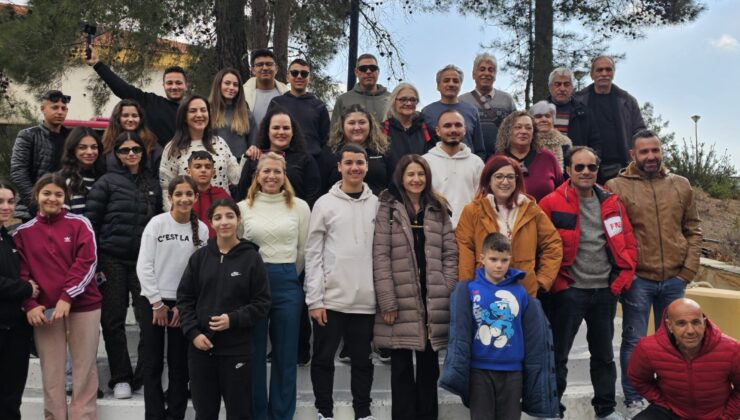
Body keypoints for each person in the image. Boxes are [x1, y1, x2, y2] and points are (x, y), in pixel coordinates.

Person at [605, 130, 702, 416]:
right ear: (632, 155)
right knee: (635, 340)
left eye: (655, 150)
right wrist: (626, 272)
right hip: (638, 279)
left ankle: (668, 396)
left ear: (661, 151)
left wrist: (688, 270)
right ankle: (634, 398)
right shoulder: (616, 186)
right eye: (644, 152)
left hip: (675, 278)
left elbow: (693, 229)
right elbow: (613, 235)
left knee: (674, 340)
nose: (651, 156)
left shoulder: (681, 185)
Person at [539, 146, 637, 420]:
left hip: (605, 291)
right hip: (569, 292)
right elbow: (541, 249)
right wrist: (558, 284)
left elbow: (627, 241)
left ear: (597, 170)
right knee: (557, 356)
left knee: (604, 356)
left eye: (591, 167)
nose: (585, 172)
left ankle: (605, 410)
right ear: (568, 170)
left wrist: (621, 278)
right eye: (579, 167)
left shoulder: (612, 202)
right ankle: (551, 410)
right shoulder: (550, 203)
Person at [372, 154, 458, 420]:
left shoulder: (438, 208)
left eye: (420, 175)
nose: (416, 179)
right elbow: (381, 256)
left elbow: (450, 253)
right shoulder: (388, 209)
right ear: (401, 177)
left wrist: (447, 285)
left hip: (432, 295)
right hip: (400, 297)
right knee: (400, 369)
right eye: (411, 174)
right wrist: (387, 300)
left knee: (429, 367)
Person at [440, 232, 559, 420]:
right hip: (479, 370)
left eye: (504, 260)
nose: (498, 265)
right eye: (493, 259)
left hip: (513, 372)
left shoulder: (520, 292)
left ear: (510, 259)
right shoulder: (470, 291)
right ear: (482, 258)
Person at [14, 173, 101, 420]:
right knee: (51, 371)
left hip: (84, 306)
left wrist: (67, 297)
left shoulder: (80, 224)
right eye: (47, 193)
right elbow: (21, 273)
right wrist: (30, 304)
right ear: (37, 195)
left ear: (66, 197)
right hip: (45, 312)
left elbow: (86, 262)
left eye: (58, 194)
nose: (52, 198)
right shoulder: (23, 233)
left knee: (84, 370)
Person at [177, 198, 271, 420]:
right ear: (211, 222)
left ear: (238, 219)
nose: (224, 222)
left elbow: (262, 303)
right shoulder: (199, 258)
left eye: (230, 216)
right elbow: (185, 299)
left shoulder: (252, 258)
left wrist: (233, 319)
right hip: (201, 350)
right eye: (218, 217)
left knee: (239, 413)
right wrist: (193, 333)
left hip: (237, 349)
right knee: (205, 412)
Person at [84, 132, 162, 399]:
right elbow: (91, 225)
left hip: (143, 261)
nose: (131, 154)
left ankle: (143, 375)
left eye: (136, 149)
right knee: (113, 319)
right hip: (112, 259)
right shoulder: (106, 182)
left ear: (143, 151)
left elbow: (160, 222)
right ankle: (120, 377)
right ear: (116, 154)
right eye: (125, 150)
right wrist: (95, 264)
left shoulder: (153, 182)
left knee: (148, 319)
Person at [305, 143, 379, 420]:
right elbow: (312, 254)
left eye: (359, 162)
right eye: (348, 163)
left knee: (362, 361)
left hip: (365, 301)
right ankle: (324, 411)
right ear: (339, 167)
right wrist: (315, 299)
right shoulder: (324, 204)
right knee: (323, 360)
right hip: (330, 300)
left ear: (367, 166)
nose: (354, 168)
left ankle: (364, 412)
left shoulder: (378, 204)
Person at [238, 153, 310, 420]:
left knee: (285, 353)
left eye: (277, 172)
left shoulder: (300, 207)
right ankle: (258, 414)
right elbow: (239, 248)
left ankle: (281, 414)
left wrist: (288, 273)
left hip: (287, 281)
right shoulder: (243, 207)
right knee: (254, 353)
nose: (271, 176)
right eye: (266, 171)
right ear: (257, 175)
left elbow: (303, 249)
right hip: (252, 286)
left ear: (284, 175)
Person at [136, 175, 208, 420]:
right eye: (179, 194)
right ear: (170, 197)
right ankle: (154, 415)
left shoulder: (203, 230)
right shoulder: (157, 224)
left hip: (183, 305)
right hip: (153, 302)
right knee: (153, 363)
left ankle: (175, 414)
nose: (184, 199)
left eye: (189, 194)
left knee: (179, 365)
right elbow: (144, 265)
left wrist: (183, 306)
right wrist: (157, 303)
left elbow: (199, 274)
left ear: (196, 198)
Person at [456, 155, 562, 296]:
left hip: (523, 291)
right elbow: (465, 251)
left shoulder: (531, 209)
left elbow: (553, 244)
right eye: (499, 176)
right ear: (489, 179)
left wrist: (542, 280)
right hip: (484, 290)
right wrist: (468, 287)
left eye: (510, 177)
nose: (505, 182)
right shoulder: (472, 211)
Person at [627, 298, 740, 420]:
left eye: (696, 322)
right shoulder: (648, 348)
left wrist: (727, 416)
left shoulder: (732, 349)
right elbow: (637, 378)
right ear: (669, 325)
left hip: (716, 414)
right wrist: (660, 401)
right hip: (671, 411)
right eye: (681, 323)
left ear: (704, 322)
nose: (690, 331)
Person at [87, 44, 187, 146]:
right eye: (169, 83)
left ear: (186, 85)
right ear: (163, 85)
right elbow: (123, 89)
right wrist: (97, 64)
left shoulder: (195, 111)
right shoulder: (151, 102)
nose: (174, 87)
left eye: (178, 83)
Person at [0, 180, 39, 420]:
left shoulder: (9, 237)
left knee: (11, 397)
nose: (6, 206)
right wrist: (25, 288)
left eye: (10, 201)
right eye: (0, 201)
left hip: (16, 331)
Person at [159, 94, 240, 208]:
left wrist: (248, 157)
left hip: (220, 215)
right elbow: (166, 188)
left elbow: (236, 178)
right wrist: (176, 219)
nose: (199, 115)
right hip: (188, 216)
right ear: (184, 117)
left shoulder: (219, 143)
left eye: (203, 110)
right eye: (193, 111)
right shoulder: (173, 148)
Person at [575, 55, 646, 184]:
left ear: (613, 73)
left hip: (621, 168)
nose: (604, 74)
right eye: (599, 70)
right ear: (592, 75)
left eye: (608, 70)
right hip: (586, 169)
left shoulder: (628, 101)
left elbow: (640, 132)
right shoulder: (578, 101)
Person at [237, 107, 321, 207]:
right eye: (276, 128)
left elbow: (313, 196)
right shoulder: (255, 158)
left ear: (292, 132)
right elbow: (241, 195)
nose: (281, 132)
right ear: (267, 131)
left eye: (286, 128)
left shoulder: (306, 159)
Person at [10, 90, 71, 220]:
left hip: (65, 206)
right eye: (54, 107)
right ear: (43, 109)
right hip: (33, 210)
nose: (60, 112)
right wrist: (36, 205)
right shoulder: (28, 135)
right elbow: (18, 171)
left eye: (63, 108)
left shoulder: (71, 138)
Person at [422, 109, 484, 227]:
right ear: (438, 131)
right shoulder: (425, 162)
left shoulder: (477, 163)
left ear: (465, 130)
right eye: (447, 126)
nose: (453, 130)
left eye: (458, 125)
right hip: (435, 230)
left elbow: (481, 200)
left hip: (469, 230)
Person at [319, 104, 391, 195]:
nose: (357, 127)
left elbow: (392, 184)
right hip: (338, 207)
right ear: (342, 126)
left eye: (362, 122)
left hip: (377, 207)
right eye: (351, 123)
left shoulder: (383, 150)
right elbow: (320, 186)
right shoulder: (330, 151)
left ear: (370, 125)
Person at [495, 110, 564, 202]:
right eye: (518, 127)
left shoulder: (548, 158)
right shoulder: (497, 161)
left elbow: (561, 192)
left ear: (534, 132)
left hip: (544, 215)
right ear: (508, 131)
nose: (523, 131)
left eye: (528, 128)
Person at [270, 58, 331, 161]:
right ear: (288, 77)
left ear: (309, 79)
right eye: (294, 73)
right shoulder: (277, 103)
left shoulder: (319, 106)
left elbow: (326, 139)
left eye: (304, 73)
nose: (299, 76)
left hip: (313, 161)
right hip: (282, 161)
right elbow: (268, 133)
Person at [421, 65, 486, 159]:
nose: (451, 84)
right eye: (446, 80)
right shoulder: (427, 112)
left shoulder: (472, 111)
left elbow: (479, 148)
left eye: (455, 81)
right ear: (438, 86)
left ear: (460, 85)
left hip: (468, 167)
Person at [459, 53, 516, 157]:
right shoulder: (462, 101)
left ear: (495, 75)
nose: (486, 73)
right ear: (473, 74)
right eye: (482, 69)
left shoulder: (507, 100)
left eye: (491, 70)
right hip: (470, 159)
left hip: (500, 158)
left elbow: (515, 129)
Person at [101, 99, 163, 178]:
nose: (130, 119)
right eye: (125, 115)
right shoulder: (106, 145)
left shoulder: (152, 145)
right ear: (117, 118)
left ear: (140, 118)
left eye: (134, 116)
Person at [546, 67, 601, 154]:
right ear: (550, 87)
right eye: (558, 84)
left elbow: (595, 144)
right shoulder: (539, 112)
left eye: (567, 84)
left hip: (576, 165)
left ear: (572, 88)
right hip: (546, 164)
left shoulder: (584, 113)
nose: (562, 88)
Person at [382, 83, 435, 173]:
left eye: (412, 99)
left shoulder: (427, 129)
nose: (408, 103)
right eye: (403, 99)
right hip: (391, 185)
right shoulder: (382, 130)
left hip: (420, 183)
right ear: (394, 101)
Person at [208, 68, 257, 161]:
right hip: (215, 165)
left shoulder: (247, 115)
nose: (231, 87)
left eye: (235, 85)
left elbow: (253, 147)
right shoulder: (207, 113)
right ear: (218, 85)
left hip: (241, 165)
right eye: (227, 83)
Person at [57, 127, 107, 214]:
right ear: (73, 149)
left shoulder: (105, 177)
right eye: (82, 147)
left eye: (94, 147)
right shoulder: (62, 179)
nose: (90, 152)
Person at [331, 53, 390, 125]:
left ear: (378, 71)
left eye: (372, 68)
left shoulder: (392, 99)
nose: (368, 72)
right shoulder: (343, 100)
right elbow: (334, 132)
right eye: (363, 69)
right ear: (356, 72)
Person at [186, 151, 230, 238]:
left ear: (213, 173)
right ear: (189, 172)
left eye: (207, 167)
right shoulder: (183, 198)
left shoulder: (222, 196)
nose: (203, 170)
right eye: (198, 167)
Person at [243, 49, 290, 128]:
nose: (264, 68)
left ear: (276, 69)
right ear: (253, 70)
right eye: (260, 64)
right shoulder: (242, 94)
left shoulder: (286, 94)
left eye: (269, 64)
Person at [529, 100, 572, 170]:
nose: (544, 119)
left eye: (547, 116)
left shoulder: (565, 143)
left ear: (553, 120)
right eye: (538, 116)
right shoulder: (527, 143)